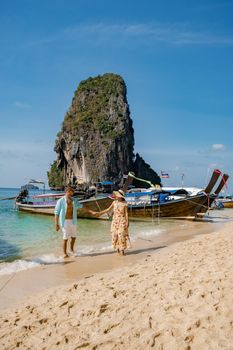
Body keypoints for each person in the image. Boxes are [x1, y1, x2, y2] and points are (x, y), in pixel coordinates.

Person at [90, 189, 131, 256]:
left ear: (121, 196)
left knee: (121, 235)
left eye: (117, 195)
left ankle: (122, 250)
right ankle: (117, 249)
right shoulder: (114, 202)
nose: (116, 196)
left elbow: (126, 213)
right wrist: (99, 213)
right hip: (115, 221)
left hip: (122, 220)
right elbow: (108, 210)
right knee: (115, 235)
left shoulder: (125, 203)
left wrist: (127, 221)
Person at [54, 185, 83, 258]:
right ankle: (64, 253)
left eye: (72, 192)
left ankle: (71, 250)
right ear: (66, 192)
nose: (72, 194)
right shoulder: (60, 201)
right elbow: (56, 213)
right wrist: (56, 224)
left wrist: (91, 211)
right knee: (65, 238)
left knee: (74, 237)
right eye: (70, 192)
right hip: (65, 222)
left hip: (73, 221)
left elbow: (80, 206)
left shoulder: (74, 200)